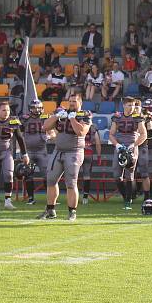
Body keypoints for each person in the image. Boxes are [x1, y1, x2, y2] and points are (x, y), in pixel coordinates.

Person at [37, 92, 91, 221]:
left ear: (80, 103)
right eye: (70, 101)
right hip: (58, 150)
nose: (71, 104)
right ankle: (50, 210)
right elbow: (45, 127)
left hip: (74, 152)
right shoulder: (62, 112)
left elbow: (81, 132)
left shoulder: (85, 115)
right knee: (51, 180)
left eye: (74, 101)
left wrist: (72, 119)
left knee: (71, 183)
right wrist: (56, 116)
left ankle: (72, 212)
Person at [109, 98, 148, 210]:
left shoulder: (137, 117)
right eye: (129, 105)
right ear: (124, 105)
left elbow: (143, 134)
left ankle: (128, 200)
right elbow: (111, 134)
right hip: (120, 146)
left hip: (131, 145)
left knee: (129, 174)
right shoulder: (117, 117)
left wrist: (134, 145)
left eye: (133, 105)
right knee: (116, 174)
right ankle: (125, 195)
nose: (131, 107)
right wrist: (117, 145)